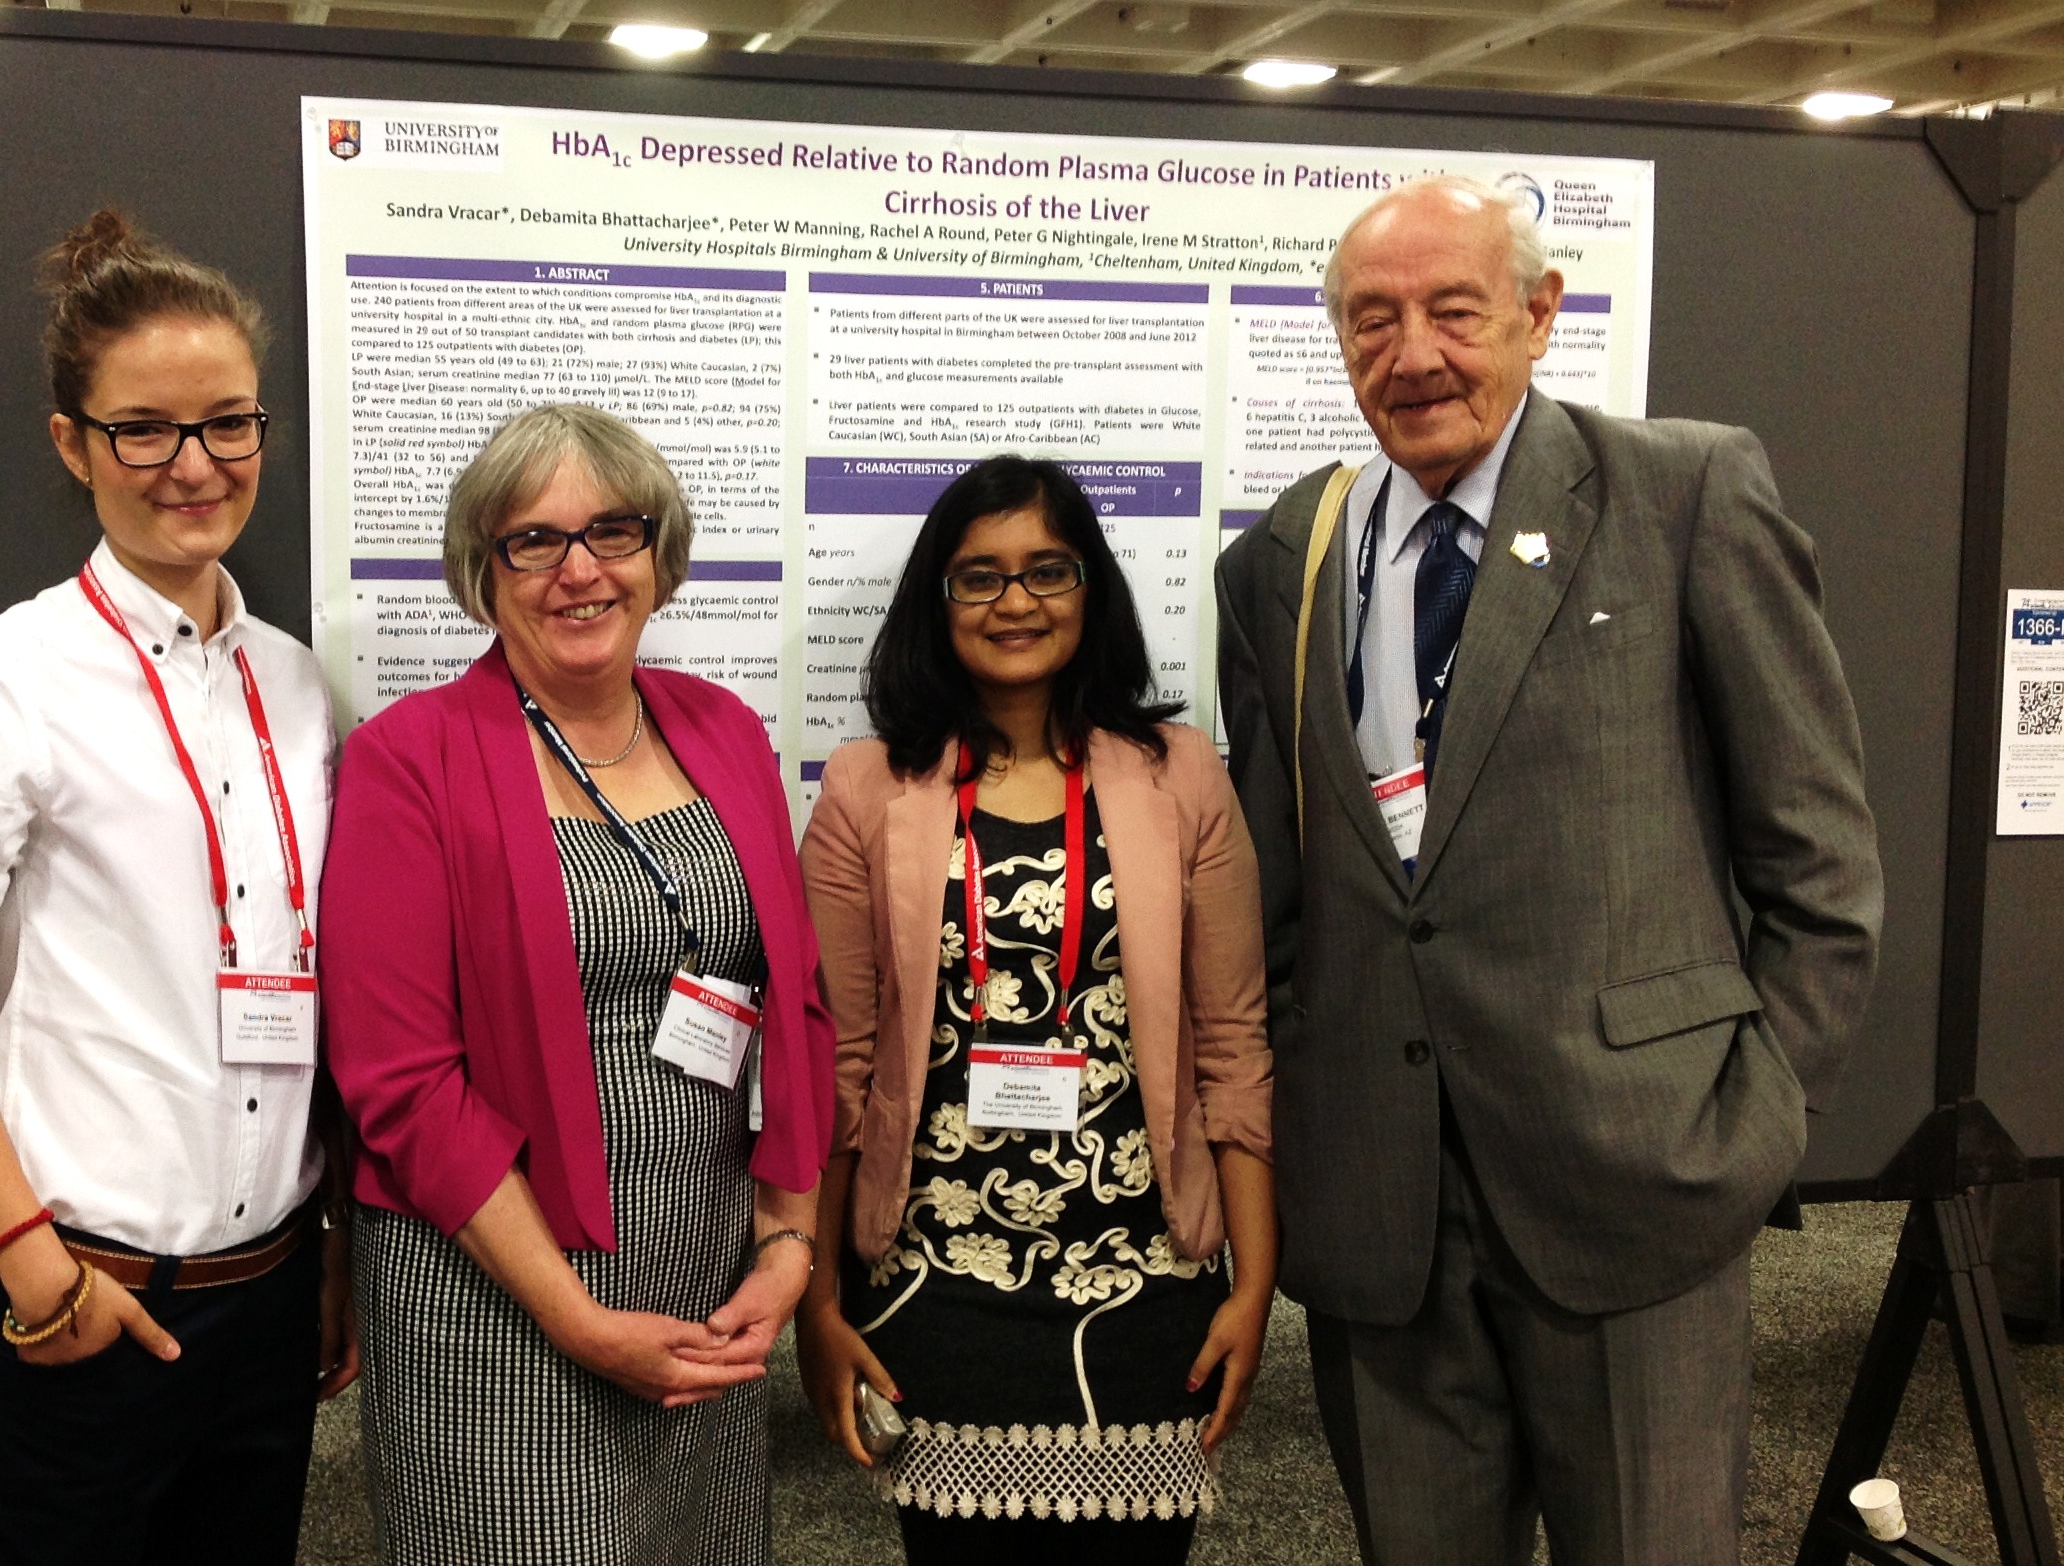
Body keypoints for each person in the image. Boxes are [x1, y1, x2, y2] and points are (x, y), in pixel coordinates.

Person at [1214, 175, 1884, 1564]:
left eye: (1451, 311)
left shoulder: (1681, 490)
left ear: (1535, 314)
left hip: (1635, 1180)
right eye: (1369, 322)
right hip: (1380, 1214)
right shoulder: (1283, 555)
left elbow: (1815, 854)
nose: (1411, 355)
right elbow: (1278, 885)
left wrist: (1753, 1125)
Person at [0, 210, 354, 1563]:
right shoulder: (3, 680)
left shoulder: (302, 688)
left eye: (229, 423)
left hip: (266, 1303)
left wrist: (324, 1254)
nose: (193, 466)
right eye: (145, 428)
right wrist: (34, 1269)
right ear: (73, 444)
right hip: (81, 1295)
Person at [317, 402, 834, 1565]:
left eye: (614, 530)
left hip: (706, 1278)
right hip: (497, 1305)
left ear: (660, 555)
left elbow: (790, 1002)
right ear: (482, 570)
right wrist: (578, 1320)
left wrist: (789, 1248)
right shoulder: (412, 759)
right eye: (533, 540)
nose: (580, 569)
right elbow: (401, 1084)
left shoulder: (722, 728)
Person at [796, 456, 1277, 1564]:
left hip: (1147, 1282)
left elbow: (1235, 1048)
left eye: (1046, 570)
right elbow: (841, 1067)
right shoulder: (869, 787)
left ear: (1091, 587)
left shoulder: (1181, 775)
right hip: (933, 1286)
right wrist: (816, 1305)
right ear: (938, 600)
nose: (1016, 601)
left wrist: (1253, 1283)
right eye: (980, 577)